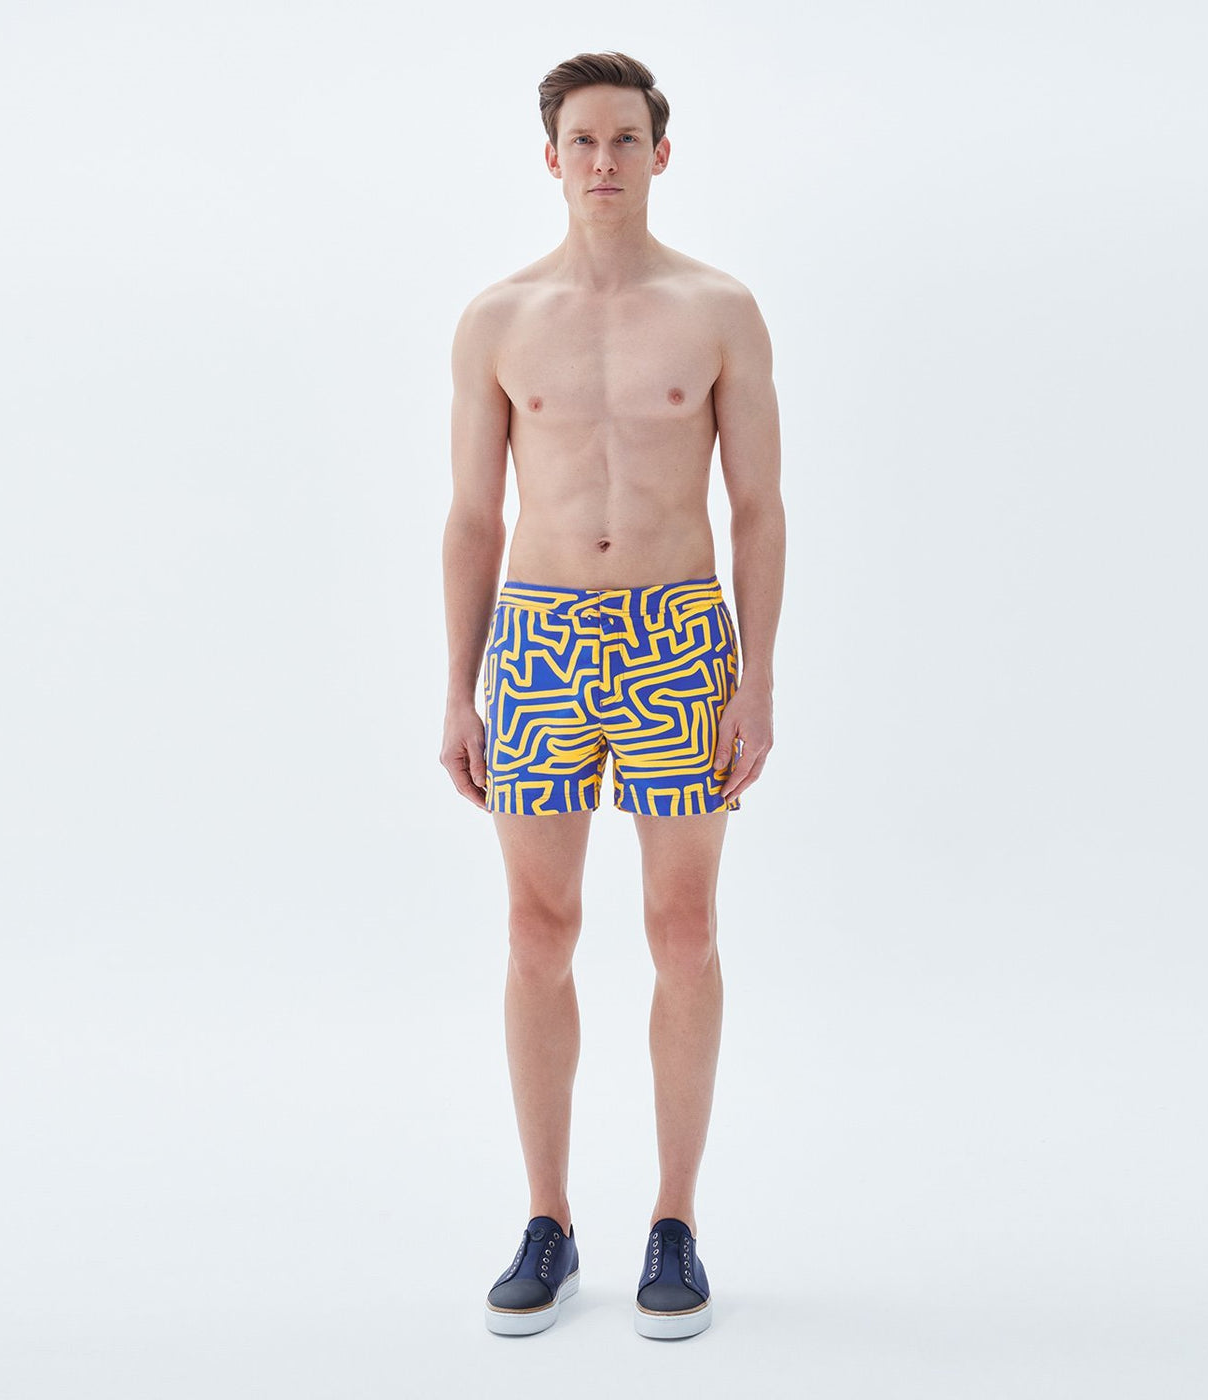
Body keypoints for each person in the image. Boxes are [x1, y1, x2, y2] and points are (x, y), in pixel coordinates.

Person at [439, 50, 785, 1340]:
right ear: (551, 158)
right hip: (538, 643)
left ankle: (674, 1221)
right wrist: (460, 687)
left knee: (683, 930)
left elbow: (760, 508)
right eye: (581, 140)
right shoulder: (497, 320)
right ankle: (548, 1219)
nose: (602, 160)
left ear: (659, 153)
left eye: (624, 139)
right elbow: (474, 519)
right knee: (538, 930)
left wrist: (756, 679)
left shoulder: (718, 310)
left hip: (678, 638)